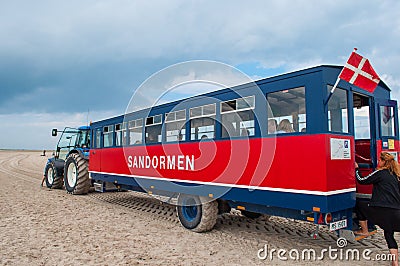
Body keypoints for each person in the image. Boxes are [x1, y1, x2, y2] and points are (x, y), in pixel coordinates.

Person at [356, 152, 400, 265]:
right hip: (396, 211)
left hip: (381, 210)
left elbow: (362, 180)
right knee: (388, 233)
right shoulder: (396, 175)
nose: (378, 162)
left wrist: (356, 169)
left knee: (360, 205)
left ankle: (364, 231)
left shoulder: (380, 173)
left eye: (379, 160)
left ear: (384, 162)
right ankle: (395, 261)